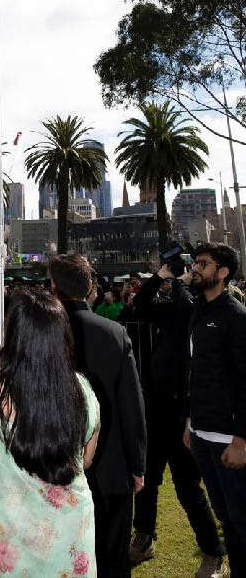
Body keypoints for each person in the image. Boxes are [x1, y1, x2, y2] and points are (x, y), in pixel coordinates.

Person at [0, 290, 100, 576]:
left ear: (14, 335)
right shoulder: (82, 391)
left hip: (4, 541)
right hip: (67, 538)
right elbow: (85, 459)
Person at [50, 253, 146, 578]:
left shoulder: (43, 335)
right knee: (113, 556)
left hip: (57, 468)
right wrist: (136, 465)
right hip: (111, 469)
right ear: (91, 287)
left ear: (53, 288)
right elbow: (132, 405)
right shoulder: (114, 333)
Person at [130, 259, 224, 576]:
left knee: (187, 488)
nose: (192, 272)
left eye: (200, 268)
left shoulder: (201, 309)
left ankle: (212, 553)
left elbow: (186, 306)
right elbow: (140, 307)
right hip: (156, 408)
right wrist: (160, 277)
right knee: (146, 480)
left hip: (184, 411)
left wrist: (181, 283)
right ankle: (143, 539)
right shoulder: (172, 308)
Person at [184, 244, 246, 577]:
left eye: (203, 264)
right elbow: (198, 372)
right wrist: (191, 422)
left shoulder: (235, 316)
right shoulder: (199, 310)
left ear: (222, 273)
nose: (196, 268)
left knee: (241, 519)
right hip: (202, 432)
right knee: (227, 518)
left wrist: (241, 439)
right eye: (195, 262)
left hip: (229, 438)